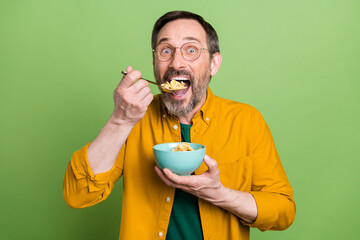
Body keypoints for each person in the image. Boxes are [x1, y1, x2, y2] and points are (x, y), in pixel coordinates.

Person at [63, 10, 296, 240]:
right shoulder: (134, 118)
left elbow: (283, 212)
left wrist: (220, 195)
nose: (176, 62)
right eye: (165, 50)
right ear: (155, 62)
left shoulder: (246, 120)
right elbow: (78, 194)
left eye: (191, 50)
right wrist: (120, 120)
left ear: (213, 63)